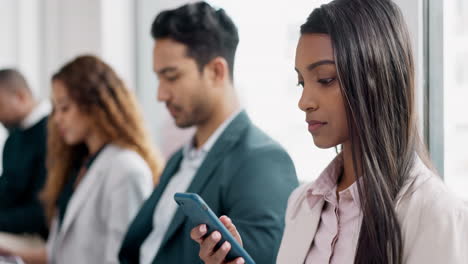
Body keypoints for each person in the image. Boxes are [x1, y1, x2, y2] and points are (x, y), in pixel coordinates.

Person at [191, 0, 468, 263]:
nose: (304, 102)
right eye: (302, 83)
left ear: (375, 79)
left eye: (325, 79)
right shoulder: (301, 204)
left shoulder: (439, 216)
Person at [118, 2, 299, 264]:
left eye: (172, 76)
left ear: (216, 71)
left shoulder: (262, 161)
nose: (161, 94)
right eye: (158, 78)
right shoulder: (179, 160)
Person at [0, 55, 164, 264]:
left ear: (95, 105)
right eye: (56, 108)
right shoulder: (80, 165)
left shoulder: (126, 169)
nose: (56, 118)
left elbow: (123, 259)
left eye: (65, 108)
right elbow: (56, 254)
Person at [0, 69, 49, 240]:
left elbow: (43, 211)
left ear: (21, 97)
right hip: (12, 231)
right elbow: (7, 191)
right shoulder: (13, 138)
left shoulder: (53, 136)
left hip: (39, 237)